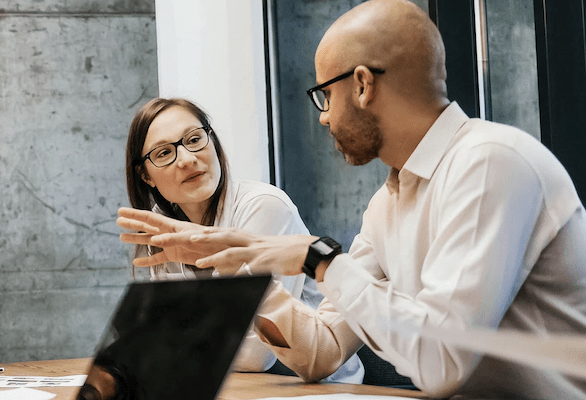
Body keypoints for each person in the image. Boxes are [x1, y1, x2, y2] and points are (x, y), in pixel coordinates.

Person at [117, 0, 586, 398]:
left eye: (325, 95)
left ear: (362, 85)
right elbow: (320, 353)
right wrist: (230, 264)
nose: (323, 118)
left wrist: (317, 258)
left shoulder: (489, 163)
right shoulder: (388, 203)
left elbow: (441, 362)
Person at [122, 97, 363, 382]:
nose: (187, 159)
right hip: (230, 386)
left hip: (314, 386)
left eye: (195, 139)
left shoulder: (263, 206)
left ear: (212, 140)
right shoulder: (160, 226)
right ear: (145, 176)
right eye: (163, 153)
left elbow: (258, 354)